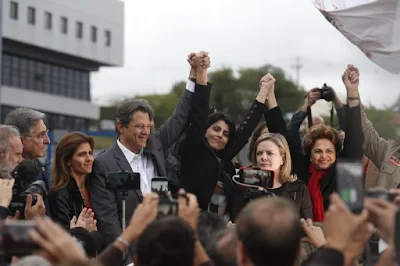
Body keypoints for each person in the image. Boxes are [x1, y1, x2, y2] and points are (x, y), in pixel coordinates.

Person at [88, 52, 210, 250]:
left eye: (147, 126)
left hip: (162, 247)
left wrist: (194, 75)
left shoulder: (155, 144)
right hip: (131, 251)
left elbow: (179, 117)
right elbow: (109, 220)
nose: (145, 132)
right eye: (139, 127)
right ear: (121, 127)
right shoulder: (104, 164)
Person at [262, 65, 363, 222]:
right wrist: (270, 95)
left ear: (337, 153)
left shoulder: (345, 171)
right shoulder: (300, 170)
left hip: (338, 237)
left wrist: (352, 91)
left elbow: (355, 134)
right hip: (303, 237)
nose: (324, 156)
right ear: (309, 154)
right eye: (318, 152)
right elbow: (280, 134)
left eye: (329, 151)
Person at [179, 66, 275, 221]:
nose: (219, 135)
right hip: (195, 226)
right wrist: (202, 75)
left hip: (223, 231)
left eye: (225, 134)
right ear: (205, 130)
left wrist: (264, 90)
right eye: (216, 129)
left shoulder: (223, 160)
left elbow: (246, 129)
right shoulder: (193, 149)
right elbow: (198, 115)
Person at [232, 133, 313, 220]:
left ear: (283, 159)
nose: (263, 157)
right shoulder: (244, 186)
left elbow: (307, 224)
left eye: (269, 153)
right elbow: (237, 221)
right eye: (259, 153)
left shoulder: (298, 188)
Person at [49, 132, 97, 229]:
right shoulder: (59, 196)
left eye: (90, 153)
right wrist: (92, 235)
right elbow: (64, 235)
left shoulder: (96, 188)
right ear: (68, 160)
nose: (89, 159)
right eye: (82, 154)